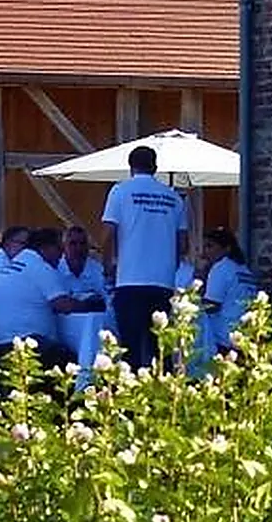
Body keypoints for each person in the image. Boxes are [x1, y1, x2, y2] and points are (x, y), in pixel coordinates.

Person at [101, 145, 187, 370]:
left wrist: (107, 265)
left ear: (130, 167)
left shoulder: (120, 192)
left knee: (131, 347)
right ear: (156, 167)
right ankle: (165, 395)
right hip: (163, 282)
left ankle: (133, 398)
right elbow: (183, 243)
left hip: (130, 280)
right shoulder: (174, 198)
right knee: (160, 347)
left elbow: (108, 234)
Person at [0, 228, 99, 371]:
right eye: (59, 248)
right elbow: (64, 305)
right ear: (46, 248)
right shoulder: (40, 267)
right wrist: (90, 305)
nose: (61, 255)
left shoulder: (19, 261)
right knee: (73, 363)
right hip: (22, 344)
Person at [198, 227, 257, 357]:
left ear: (227, 248)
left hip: (223, 339)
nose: (204, 253)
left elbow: (212, 305)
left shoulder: (221, 267)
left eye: (210, 246)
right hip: (246, 337)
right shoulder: (245, 271)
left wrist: (190, 306)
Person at [56, 225, 108, 306]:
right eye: (73, 243)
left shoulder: (98, 270)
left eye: (83, 243)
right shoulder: (54, 270)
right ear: (63, 246)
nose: (79, 248)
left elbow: (107, 300)